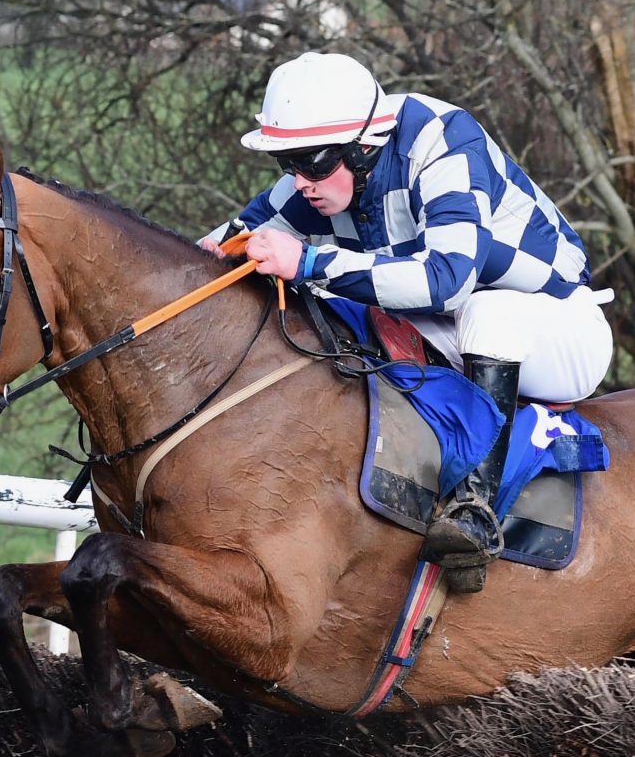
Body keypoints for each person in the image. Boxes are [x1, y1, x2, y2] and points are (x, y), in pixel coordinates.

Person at [204, 51, 613, 593]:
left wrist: (306, 261)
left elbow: (447, 280)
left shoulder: (444, 141)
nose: (302, 180)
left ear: (364, 146)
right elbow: (217, 247)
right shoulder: (321, 179)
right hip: (451, 327)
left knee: (482, 312)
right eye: (288, 163)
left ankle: (475, 513)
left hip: (556, 328)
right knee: (337, 314)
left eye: (315, 161)